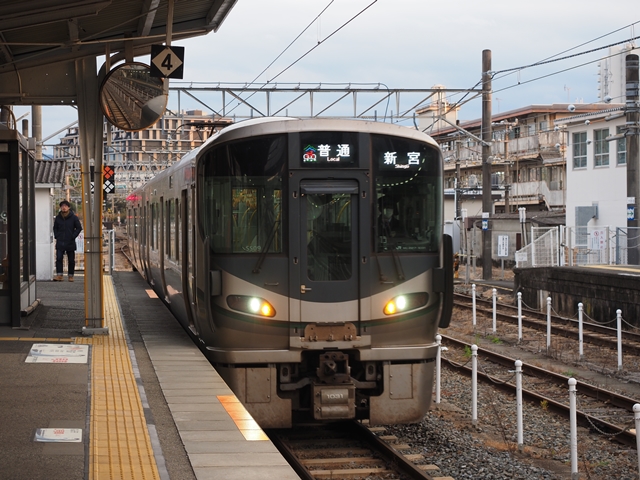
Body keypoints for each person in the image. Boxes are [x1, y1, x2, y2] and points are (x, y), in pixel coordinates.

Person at [53, 200, 82, 282]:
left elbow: (79, 228)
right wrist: (56, 235)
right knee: (59, 259)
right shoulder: (58, 218)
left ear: (68, 207)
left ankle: (70, 276)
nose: (64, 208)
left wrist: (73, 236)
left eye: (65, 206)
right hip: (60, 241)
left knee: (71, 260)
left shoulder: (74, 217)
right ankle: (59, 275)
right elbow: (55, 228)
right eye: (62, 206)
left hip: (70, 242)